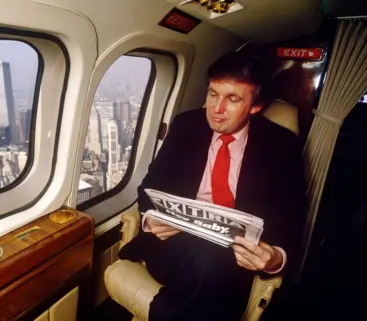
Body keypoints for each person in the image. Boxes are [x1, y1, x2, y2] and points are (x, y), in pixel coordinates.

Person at [118, 52, 306, 321]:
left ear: (255, 106)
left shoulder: (281, 145)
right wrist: (151, 220)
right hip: (174, 244)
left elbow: (293, 215)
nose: (216, 109)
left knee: (213, 264)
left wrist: (276, 257)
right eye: (213, 94)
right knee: (210, 267)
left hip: (234, 256)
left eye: (232, 99)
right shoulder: (186, 125)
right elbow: (150, 186)